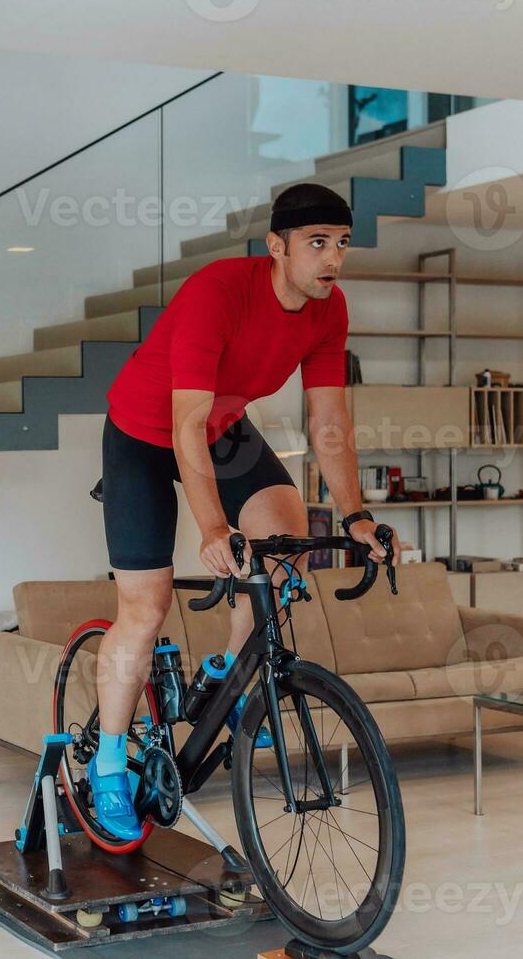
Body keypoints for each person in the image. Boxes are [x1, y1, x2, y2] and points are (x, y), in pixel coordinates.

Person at [88, 183, 398, 840]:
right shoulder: (218, 290)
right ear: (276, 247)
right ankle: (108, 764)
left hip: (224, 428)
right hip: (147, 433)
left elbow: (330, 420)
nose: (332, 258)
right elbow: (185, 422)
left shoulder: (328, 308)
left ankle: (226, 681)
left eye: (341, 244)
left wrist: (355, 516)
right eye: (317, 243)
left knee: (285, 555)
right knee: (145, 608)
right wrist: (212, 529)